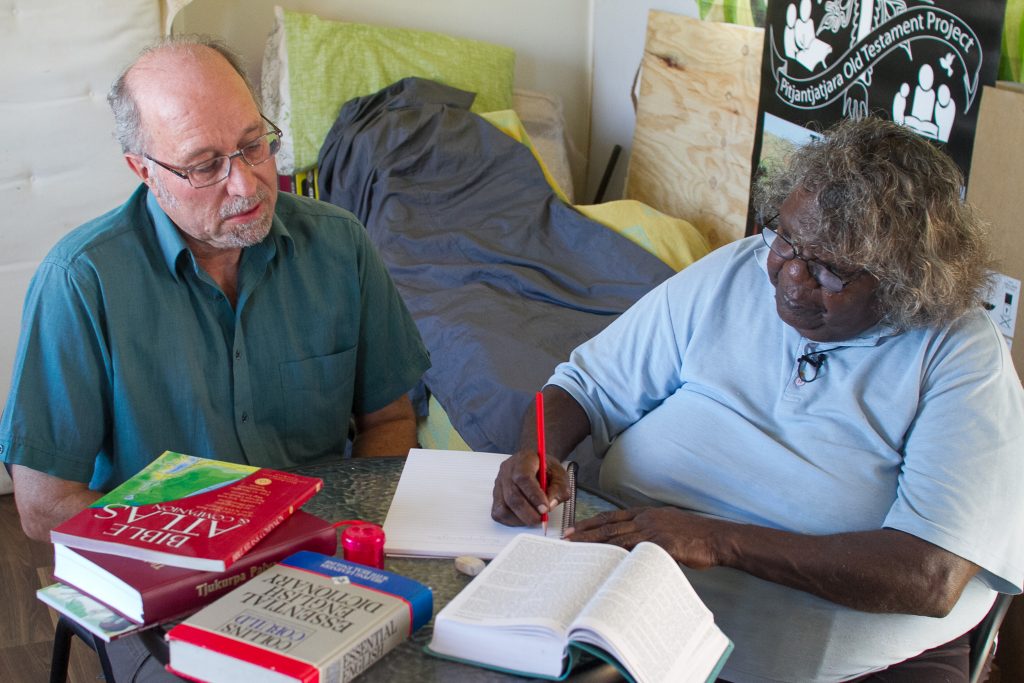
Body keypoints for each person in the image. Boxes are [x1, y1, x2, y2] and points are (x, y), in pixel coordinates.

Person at [493, 117, 1024, 682]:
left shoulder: (956, 352)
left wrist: (719, 540)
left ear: (907, 279)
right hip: (636, 615)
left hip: (854, 662)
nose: (791, 277)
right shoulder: (738, 270)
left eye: (830, 269)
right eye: (788, 240)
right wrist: (535, 454)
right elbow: (586, 386)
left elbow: (929, 574)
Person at [0, 36, 429, 541]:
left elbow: (389, 420)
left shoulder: (340, 244)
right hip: (165, 559)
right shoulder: (81, 279)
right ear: (144, 171)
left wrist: (343, 530)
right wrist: (224, 546)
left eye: (253, 145)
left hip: (319, 548)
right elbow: (45, 505)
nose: (247, 184)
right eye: (204, 166)